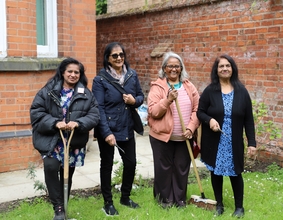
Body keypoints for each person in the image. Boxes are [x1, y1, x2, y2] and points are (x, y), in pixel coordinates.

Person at [30, 58, 100, 220]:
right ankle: (59, 208)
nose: (73, 75)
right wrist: (55, 123)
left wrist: (79, 122)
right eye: (70, 71)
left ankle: (63, 208)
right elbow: (36, 112)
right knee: (51, 167)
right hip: (53, 139)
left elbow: (94, 115)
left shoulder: (86, 93)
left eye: (77, 72)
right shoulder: (48, 90)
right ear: (63, 72)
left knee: (67, 174)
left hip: (73, 142)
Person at [197, 54, 257, 218]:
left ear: (233, 69)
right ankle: (219, 205)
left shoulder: (242, 92)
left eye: (227, 66)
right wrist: (209, 120)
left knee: (235, 173)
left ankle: (239, 207)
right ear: (216, 70)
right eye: (221, 66)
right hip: (214, 140)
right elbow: (200, 112)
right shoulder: (210, 91)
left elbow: (248, 120)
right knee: (216, 172)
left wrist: (252, 143)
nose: (224, 69)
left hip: (233, 141)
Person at [92, 42, 144, 216]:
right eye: (115, 55)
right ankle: (108, 202)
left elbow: (140, 96)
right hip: (108, 127)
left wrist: (133, 101)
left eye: (121, 54)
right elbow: (98, 107)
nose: (119, 58)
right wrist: (106, 133)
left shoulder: (132, 75)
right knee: (106, 165)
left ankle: (125, 197)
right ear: (107, 58)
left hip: (127, 126)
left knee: (131, 163)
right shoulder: (100, 80)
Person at [147, 51, 200, 208]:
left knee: (181, 169)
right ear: (164, 68)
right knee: (164, 169)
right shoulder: (158, 87)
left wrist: (191, 127)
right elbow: (154, 112)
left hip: (184, 137)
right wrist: (168, 100)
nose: (174, 69)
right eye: (170, 66)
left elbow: (197, 109)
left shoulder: (189, 86)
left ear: (181, 68)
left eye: (177, 66)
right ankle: (165, 200)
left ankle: (179, 200)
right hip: (162, 137)